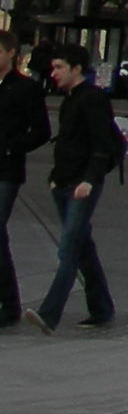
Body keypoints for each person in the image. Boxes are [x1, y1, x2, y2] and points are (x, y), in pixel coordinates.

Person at [28, 44, 117, 333]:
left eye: (59, 68)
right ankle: (102, 308)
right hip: (65, 182)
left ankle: (49, 314)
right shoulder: (70, 100)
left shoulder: (92, 99)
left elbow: (101, 143)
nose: (54, 74)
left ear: (76, 69)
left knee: (68, 250)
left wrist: (89, 179)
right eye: (53, 68)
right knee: (82, 249)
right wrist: (55, 178)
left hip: (81, 184)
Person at [0, 31, 51, 331]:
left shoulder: (25, 88)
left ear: (11, 53)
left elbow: (41, 130)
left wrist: (12, 147)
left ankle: (10, 304)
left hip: (6, 171)